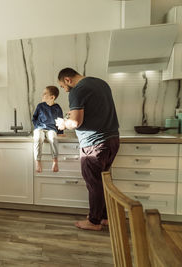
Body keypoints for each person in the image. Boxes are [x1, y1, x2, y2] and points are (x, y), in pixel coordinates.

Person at [56, 68, 120, 231]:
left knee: (94, 183)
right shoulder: (101, 83)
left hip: (94, 144)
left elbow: (76, 122)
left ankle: (94, 221)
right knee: (102, 181)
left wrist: (64, 124)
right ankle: (103, 217)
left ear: (68, 80)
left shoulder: (78, 90)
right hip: (112, 139)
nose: (65, 90)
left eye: (63, 86)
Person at [32, 85, 64, 173]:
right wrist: (37, 126)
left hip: (51, 129)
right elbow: (34, 118)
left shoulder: (57, 108)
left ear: (52, 97)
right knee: (38, 138)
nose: (42, 95)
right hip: (40, 128)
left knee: (53, 138)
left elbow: (60, 121)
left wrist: (60, 132)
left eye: (45, 94)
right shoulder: (40, 106)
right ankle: (38, 161)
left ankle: (55, 161)